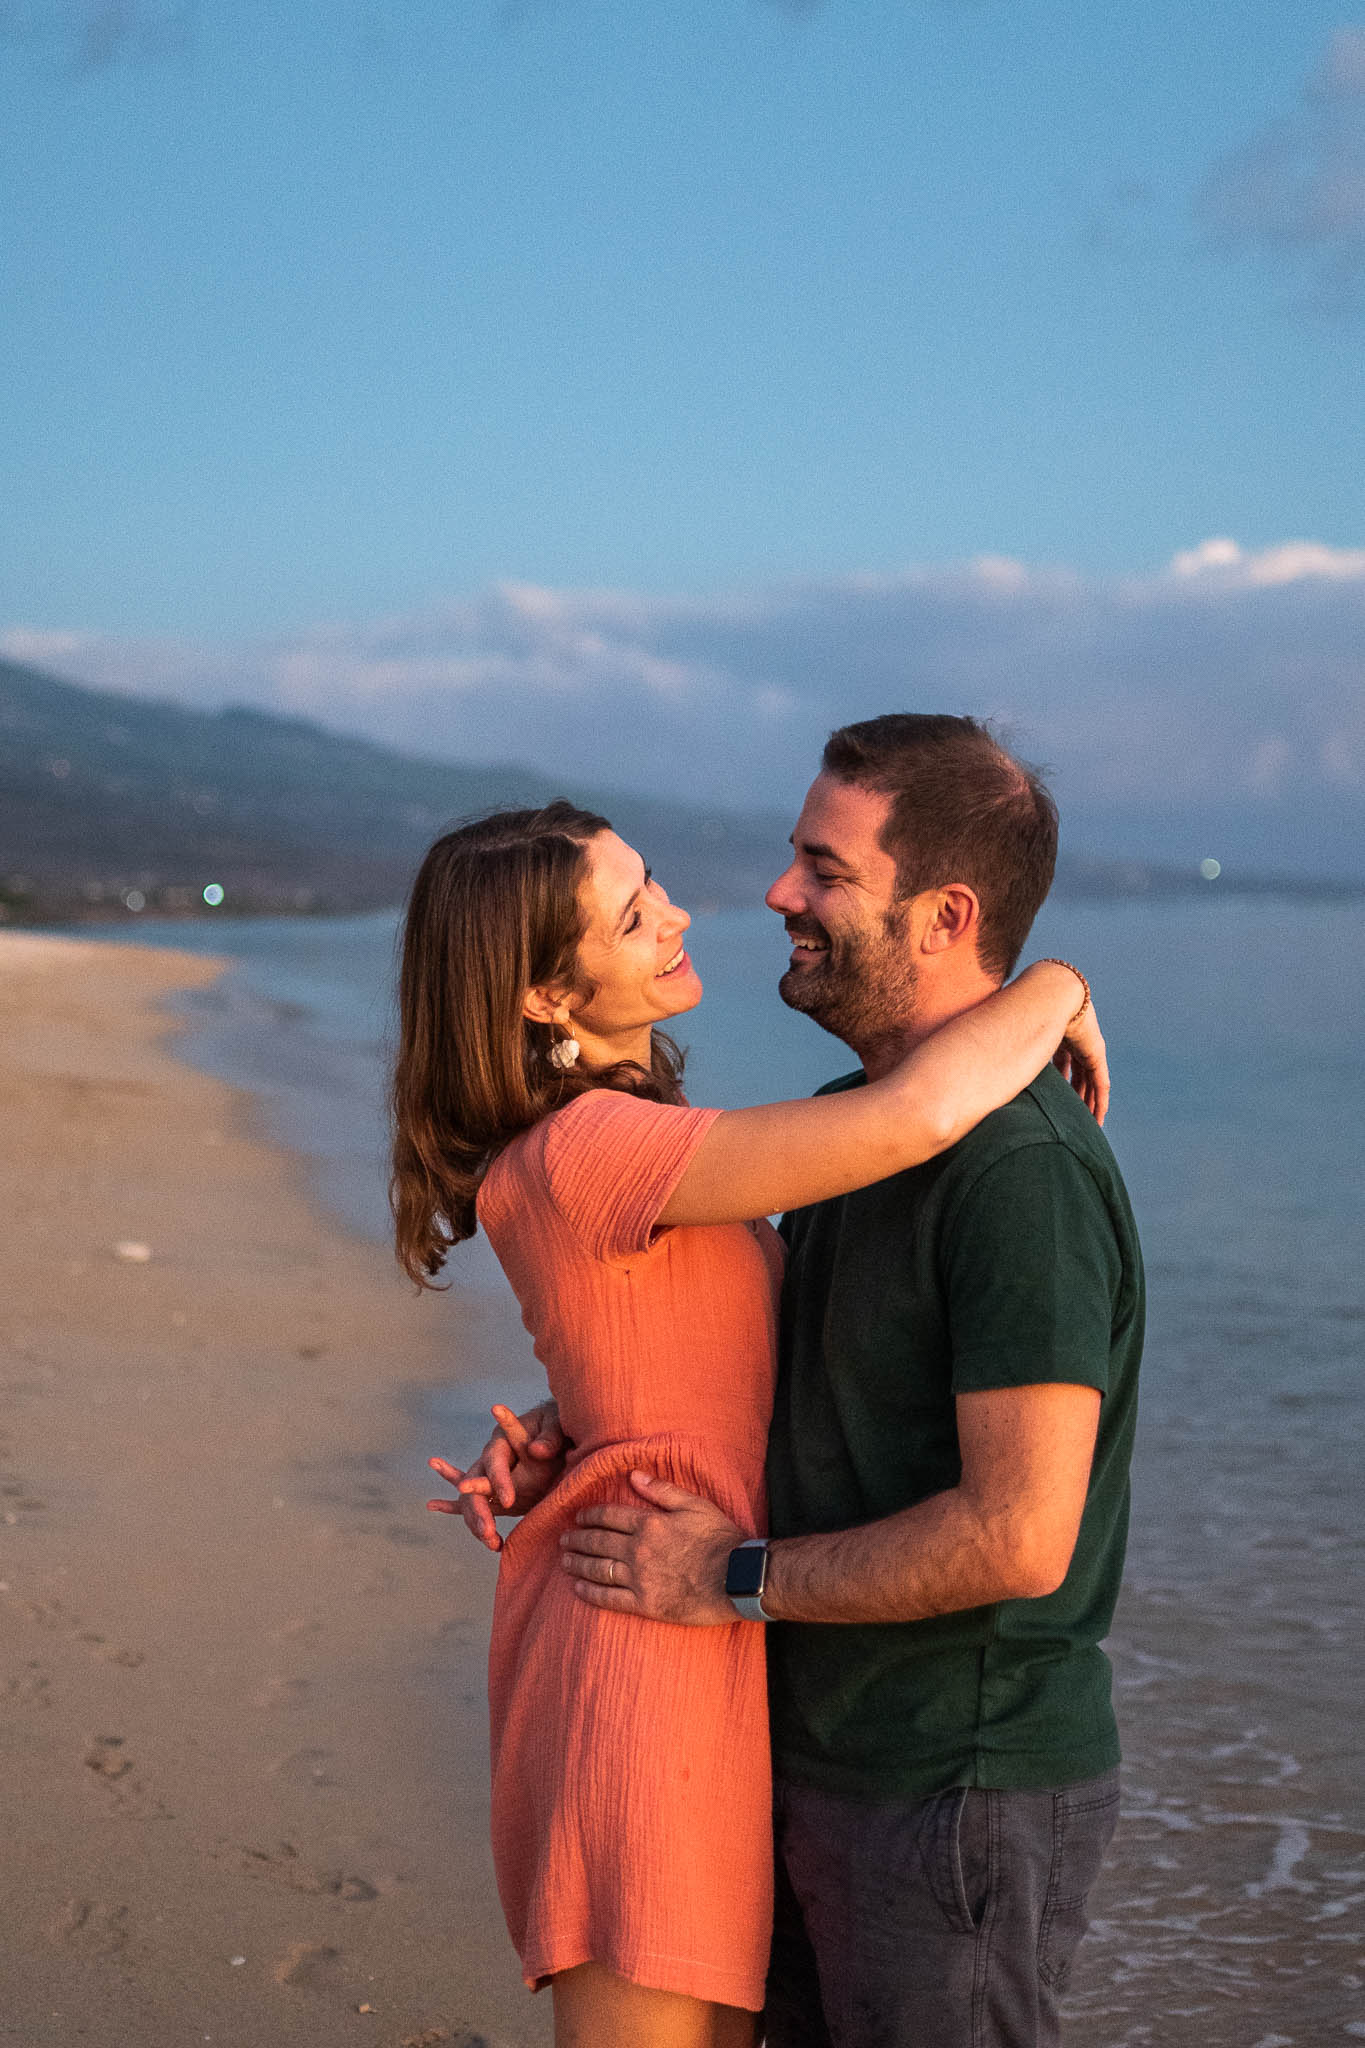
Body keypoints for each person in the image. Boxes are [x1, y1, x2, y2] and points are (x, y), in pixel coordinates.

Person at [443, 716, 1144, 2048]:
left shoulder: (1013, 1169)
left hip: (944, 1771)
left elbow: (1018, 1534)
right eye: (792, 862)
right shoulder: (827, 1144)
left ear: (942, 915)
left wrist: (717, 1564)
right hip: (791, 1728)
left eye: (822, 869)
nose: (771, 896)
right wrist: (593, 1429)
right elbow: (770, 1341)